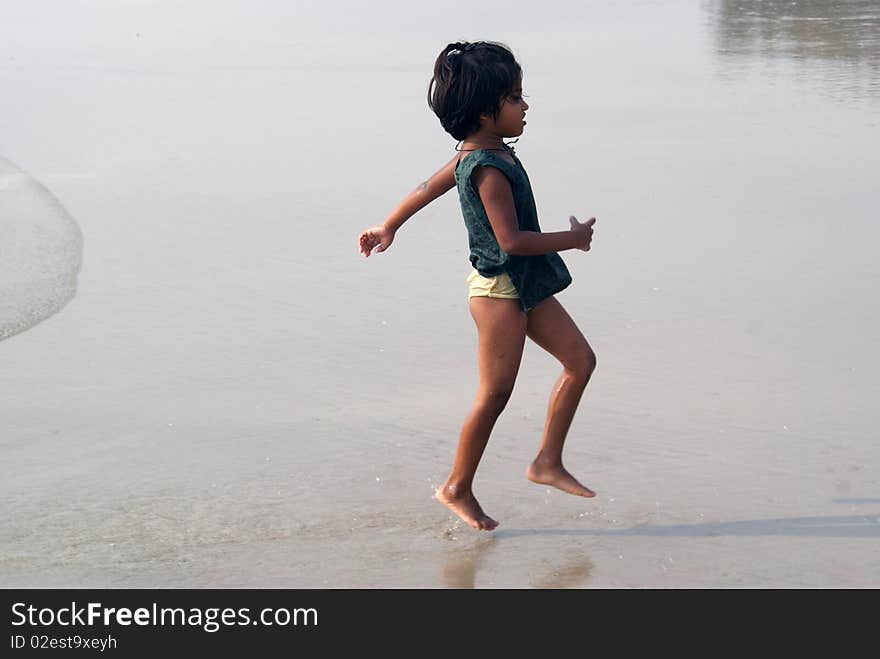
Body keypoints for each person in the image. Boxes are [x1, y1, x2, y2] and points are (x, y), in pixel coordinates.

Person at [357, 41, 598, 531]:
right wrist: (571, 239)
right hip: (499, 292)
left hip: (524, 284)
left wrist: (389, 225)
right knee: (494, 394)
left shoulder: (479, 152)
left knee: (580, 361)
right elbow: (510, 241)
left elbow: (426, 187)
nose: (525, 105)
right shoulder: (486, 167)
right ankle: (456, 487)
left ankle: (546, 462)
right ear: (486, 113)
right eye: (514, 97)